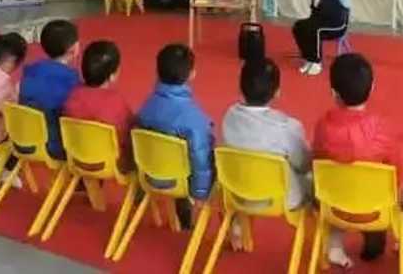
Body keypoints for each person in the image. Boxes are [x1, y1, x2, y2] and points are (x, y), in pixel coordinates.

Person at [314, 53, 398, 267]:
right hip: (375, 206)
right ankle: (375, 239)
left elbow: (316, 159)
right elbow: (395, 169)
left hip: (333, 203)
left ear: (333, 92)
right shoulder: (382, 128)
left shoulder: (323, 126)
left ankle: (334, 245)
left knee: (329, 181)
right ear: (372, 87)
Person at [221, 58, 312, 211]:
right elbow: (303, 164)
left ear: (240, 88)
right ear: (277, 92)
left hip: (236, 190)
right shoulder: (287, 127)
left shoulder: (229, 116)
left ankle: (238, 221)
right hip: (279, 197)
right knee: (313, 180)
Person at [138, 44, 215, 216]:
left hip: (149, 175)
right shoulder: (194, 118)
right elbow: (201, 161)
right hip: (179, 181)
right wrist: (200, 195)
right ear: (192, 74)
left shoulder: (146, 107)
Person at [63, 40, 136, 172]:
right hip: (110, 165)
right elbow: (129, 135)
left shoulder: (72, 96)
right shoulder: (116, 103)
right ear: (112, 75)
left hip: (77, 158)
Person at [19, 20, 81, 159]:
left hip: (24, 138)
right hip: (54, 145)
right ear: (73, 48)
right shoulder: (71, 79)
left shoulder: (31, 70)